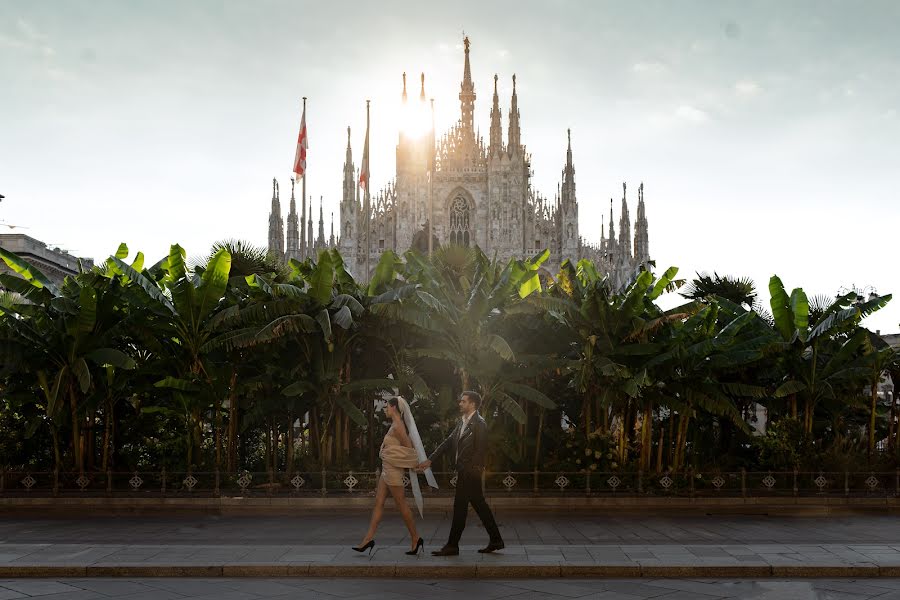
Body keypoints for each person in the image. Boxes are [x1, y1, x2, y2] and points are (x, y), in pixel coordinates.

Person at [417, 390, 504, 556]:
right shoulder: (462, 422)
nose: (460, 404)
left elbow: (480, 450)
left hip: (470, 472)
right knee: (479, 506)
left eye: (463, 401)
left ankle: (452, 545)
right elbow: (447, 442)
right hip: (465, 471)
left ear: (472, 404)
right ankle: (496, 540)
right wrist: (430, 460)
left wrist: (470, 470)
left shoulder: (480, 424)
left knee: (460, 508)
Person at [353, 396, 437, 556]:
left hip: (393, 472)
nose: (385, 409)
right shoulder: (394, 425)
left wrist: (410, 463)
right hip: (386, 469)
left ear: (393, 408)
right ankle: (367, 540)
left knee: (402, 505)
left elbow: (409, 447)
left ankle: (415, 538)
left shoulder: (398, 425)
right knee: (378, 502)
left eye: (386, 407)